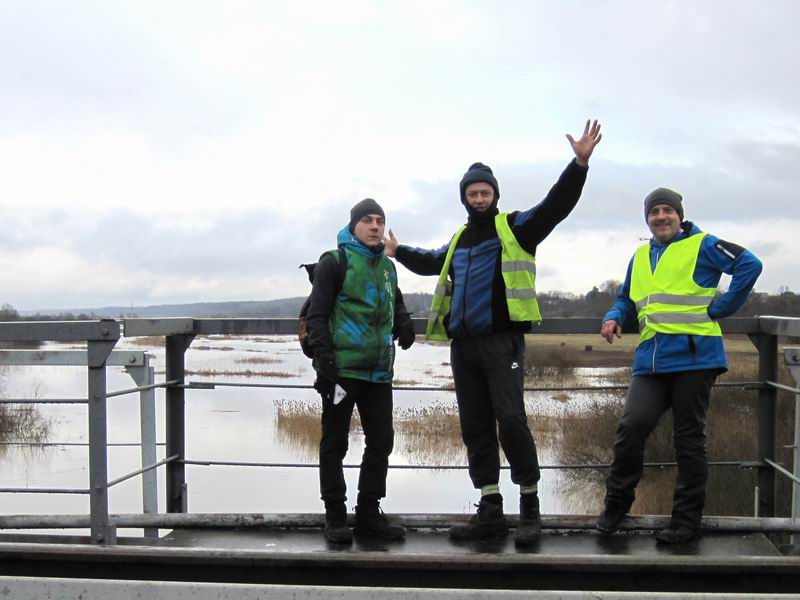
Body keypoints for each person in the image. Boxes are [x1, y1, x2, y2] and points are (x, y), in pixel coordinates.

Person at [384, 120, 603, 545]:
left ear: (495, 196)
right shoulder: (460, 238)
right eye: (472, 193)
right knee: (476, 427)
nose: (479, 198)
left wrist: (578, 164)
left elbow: (555, 206)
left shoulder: (516, 228)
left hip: (503, 344)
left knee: (511, 421)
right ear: (465, 198)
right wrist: (399, 252)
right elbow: (431, 260)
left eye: (485, 193)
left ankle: (530, 508)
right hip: (464, 348)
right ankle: (489, 509)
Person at [595, 187, 762, 545]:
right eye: (654, 212)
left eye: (667, 210)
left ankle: (686, 523)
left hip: (695, 357)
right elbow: (628, 298)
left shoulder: (702, 244)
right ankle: (616, 505)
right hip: (651, 360)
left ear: (679, 215)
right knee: (631, 428)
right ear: (647, 219)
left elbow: (750, 264)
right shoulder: (640, 255)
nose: (660, 217)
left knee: (688, 441)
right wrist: (613, 317)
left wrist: (723, 306)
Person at [306, 198, 416, 544]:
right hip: (341, 373)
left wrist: (404, 319)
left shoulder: (387, 267)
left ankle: (368, 514)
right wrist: (324, 363)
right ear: (354, 226)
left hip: (379, 374)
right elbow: (317, 315)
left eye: (380, 221)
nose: (375, 227)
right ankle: (335, 516)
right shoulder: (334, 261)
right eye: (367, 220)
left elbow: (392, 299)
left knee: (381, 442)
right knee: (334, 443)